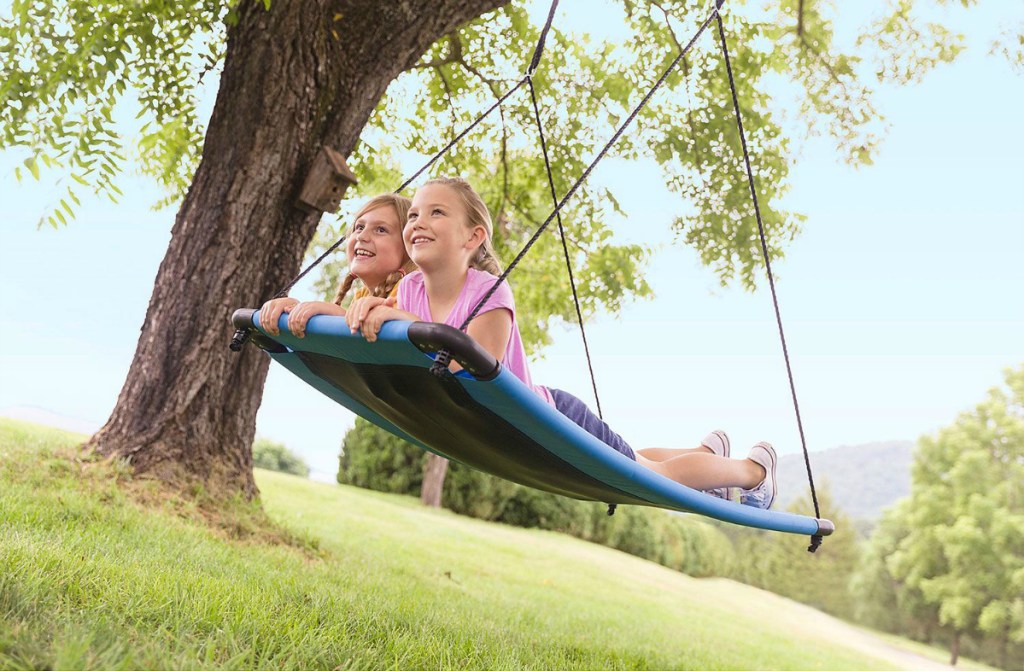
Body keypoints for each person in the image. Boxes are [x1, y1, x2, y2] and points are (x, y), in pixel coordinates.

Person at [345, 177, 776, 509]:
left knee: (653, 476)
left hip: (550, 420)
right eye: (414, 214)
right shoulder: (412, 289)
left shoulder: (489, 292)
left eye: (436, 212)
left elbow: (474, 369)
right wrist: (308, 310)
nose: (418, 221)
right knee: (637, 461)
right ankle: (706, 453)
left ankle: (753, 469)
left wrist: (402, 319)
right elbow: (372, 319)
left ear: (472, 237)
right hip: (517, 430)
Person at [259, 193, 416, 339]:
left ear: (409, 246)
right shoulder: (363, 296)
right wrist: (292, 310)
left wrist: (337, 314)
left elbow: (391, 334)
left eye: (381, 229)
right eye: (359, 227)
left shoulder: (412, 288)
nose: (362, 236)